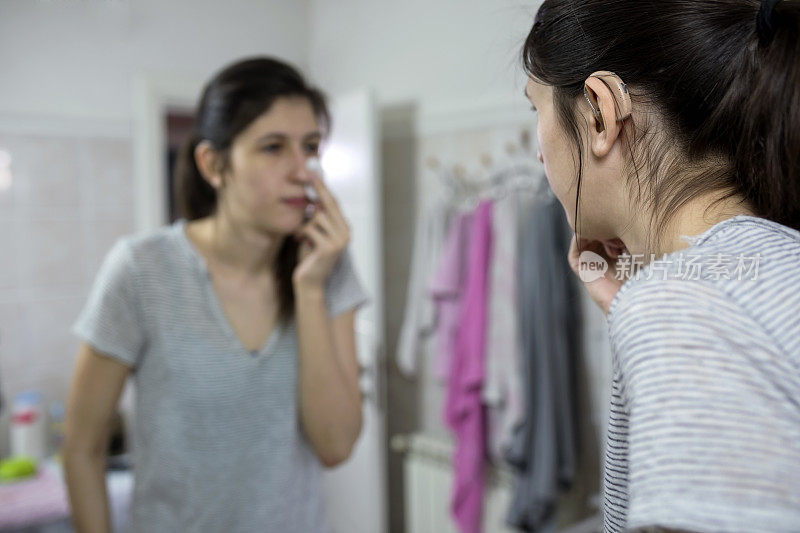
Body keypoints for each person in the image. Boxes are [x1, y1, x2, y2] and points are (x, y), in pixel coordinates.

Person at [521, 0, 800, 531]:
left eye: (537, 109)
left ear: (601, 112)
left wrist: (660, 313)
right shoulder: (768, 259)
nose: (539, 153)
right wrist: (632, 308)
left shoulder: (683, 307)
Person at [63, 57, 368, 532]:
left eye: (309, 146)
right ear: (213, 164)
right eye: (272, 148)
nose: (302, 170)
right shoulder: (142, 270)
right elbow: (82, 448)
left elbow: (335, 446)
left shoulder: (329, 266)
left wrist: (309, 291)